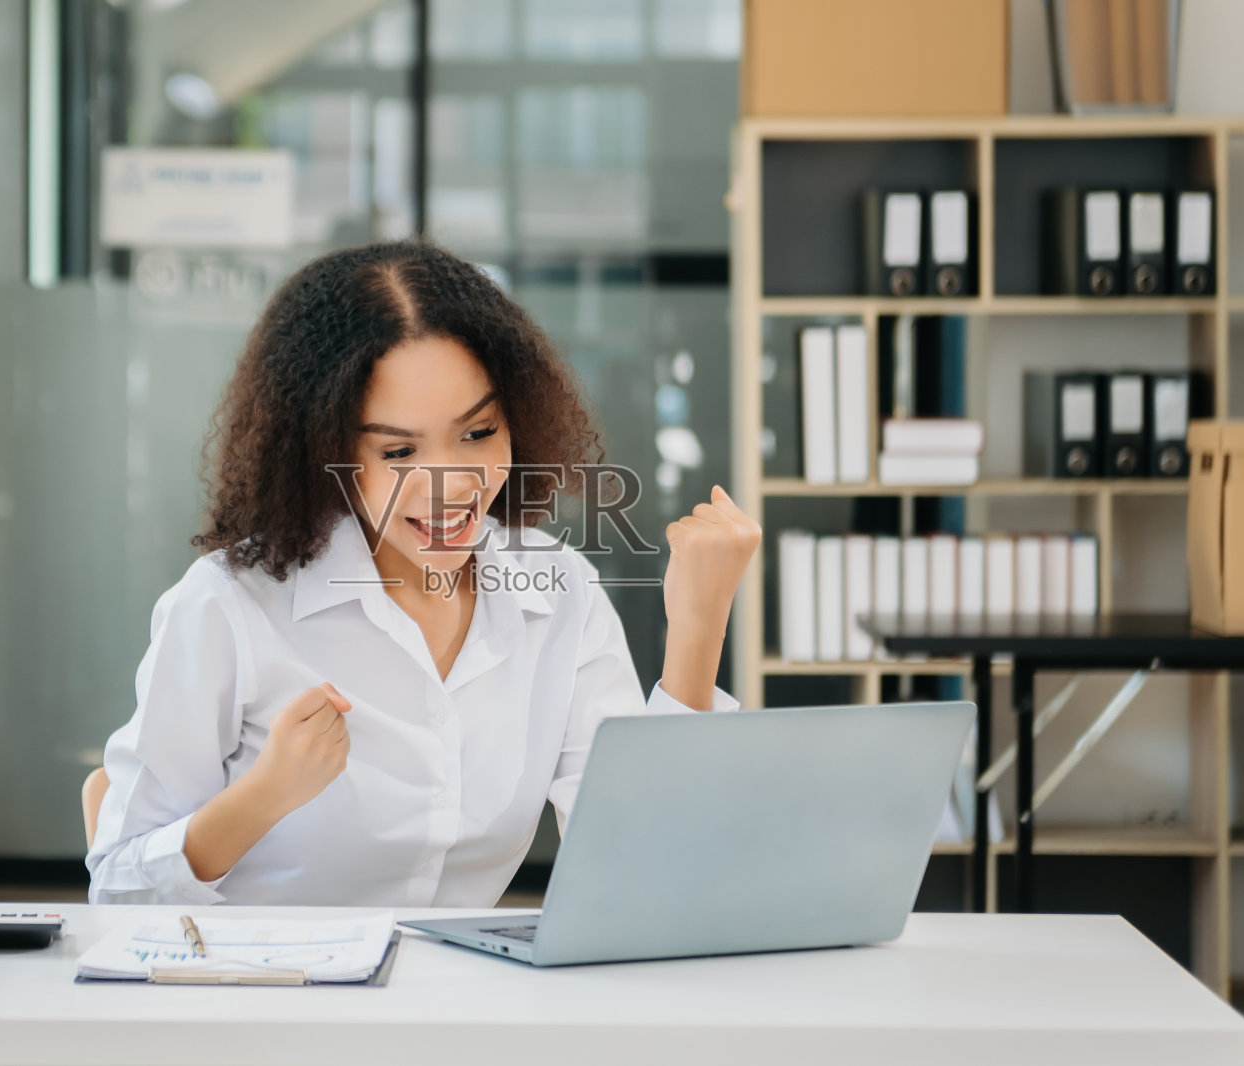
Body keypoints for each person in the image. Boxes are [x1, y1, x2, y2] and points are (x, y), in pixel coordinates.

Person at [86, 240, 761, 906]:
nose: (451, 485)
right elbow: (118, 887)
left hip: (464, 1005)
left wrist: (696, 633)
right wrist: (263, 797)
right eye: (400, 450)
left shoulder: (560, 593)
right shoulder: (229, 606)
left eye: (477, 433)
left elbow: (649, 868)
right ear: (324, 451)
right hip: (273, 1001)